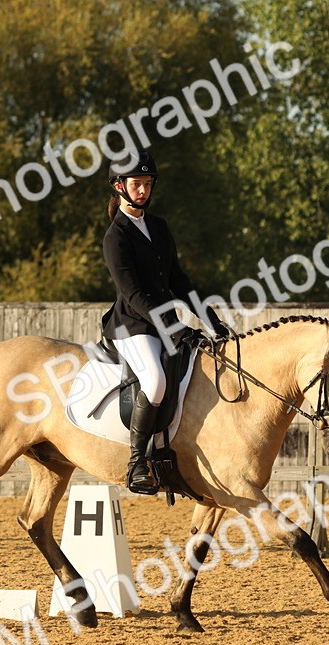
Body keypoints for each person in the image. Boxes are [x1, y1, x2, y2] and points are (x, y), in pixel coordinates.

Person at [100, 150, 230, 494]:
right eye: (136, 184)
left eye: (147, 184)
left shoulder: (158, 227)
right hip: (133, 325)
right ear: (119, 186)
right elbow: (134, 295)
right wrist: (172, 326)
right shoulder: (116, 237)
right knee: (155, 381)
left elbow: (179, 281)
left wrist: (211, 320)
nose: (143, 190)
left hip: (162, 322)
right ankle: (137, 463)